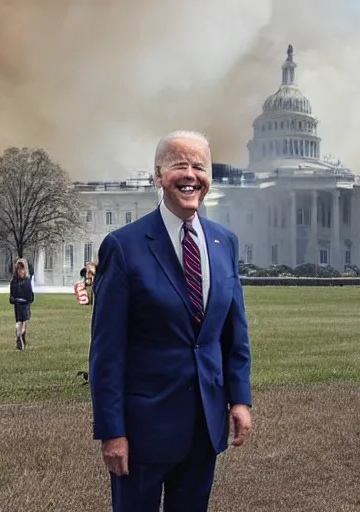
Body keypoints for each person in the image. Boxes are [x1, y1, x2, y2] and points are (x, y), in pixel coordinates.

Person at [89, 131, 252, 511]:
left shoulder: (223, 242)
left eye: (200, 166)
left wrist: (240, 398)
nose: (190, 175)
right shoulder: (124, 246)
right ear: (159, 175)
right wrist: (112, 431)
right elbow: (106, 351)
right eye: (180, 165)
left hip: (204, 426)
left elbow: (233, 332)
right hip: (144, 430)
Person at [9, 258, 34, 351]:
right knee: (19, 324)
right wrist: (17, 300)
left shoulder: (27, 281)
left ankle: (21, 339)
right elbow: (11, 298)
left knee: (24, 325)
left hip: (25, 306)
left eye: (22, 268)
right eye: (18, 268)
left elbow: (31, 297)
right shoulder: (14, 282)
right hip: (18, 306)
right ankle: (19, 343)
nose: (20, 270)